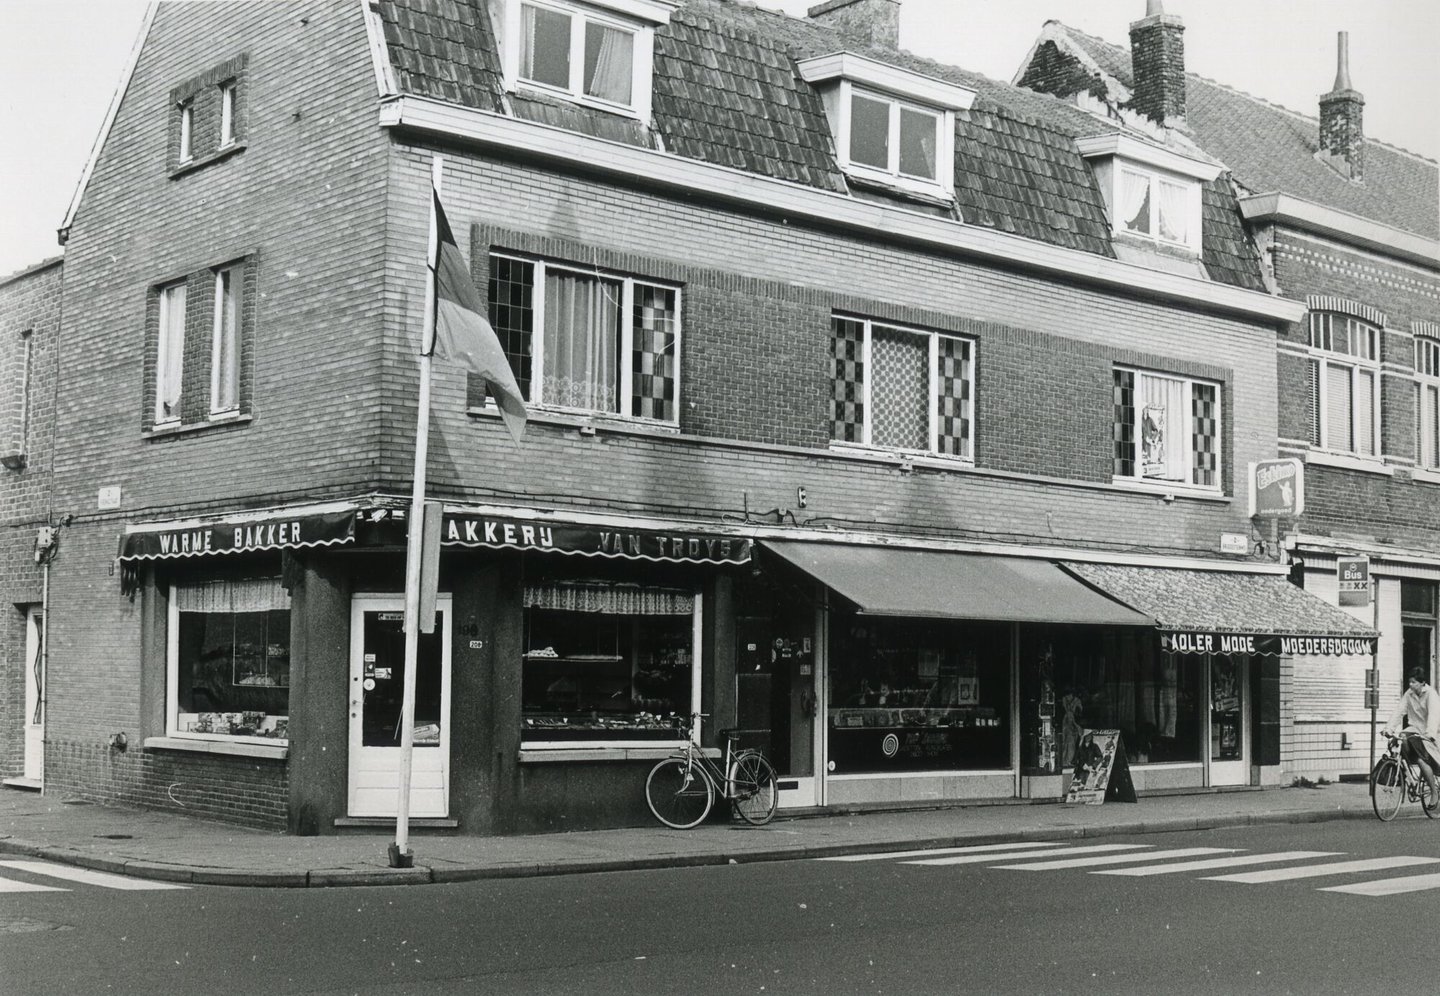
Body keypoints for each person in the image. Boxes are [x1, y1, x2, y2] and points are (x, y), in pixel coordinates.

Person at [1382, 667, 1440, 802]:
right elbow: (1399, 711)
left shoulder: (1431, 694)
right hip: (1414, 729)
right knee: (1399, 738)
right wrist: (1388, 729)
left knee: (1421, 760)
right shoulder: (1409, 694)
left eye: (1413, 682)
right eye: (1410, 682)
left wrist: (1430, 734)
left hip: (1430, 732)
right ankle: (1409, 777)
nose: (1410, 685)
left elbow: (1434, 716)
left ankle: (1433, 792)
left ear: (1422, 683)